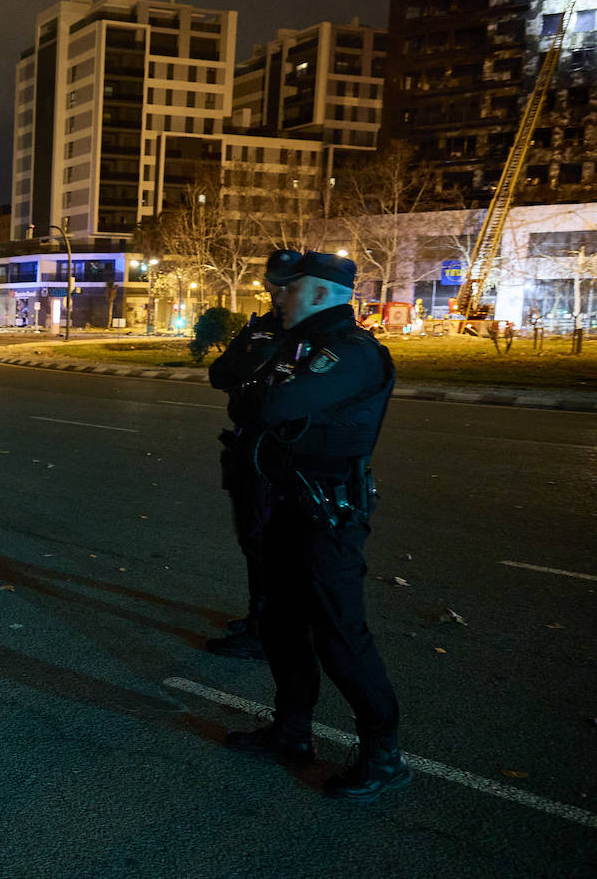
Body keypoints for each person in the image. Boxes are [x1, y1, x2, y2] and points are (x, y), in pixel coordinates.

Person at [222, 251, 409, 802]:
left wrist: (260, 392)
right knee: (281, 625)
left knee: (339, 636)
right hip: (289, 505)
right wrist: (259, 392)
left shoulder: (349, 352)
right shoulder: (297, 345)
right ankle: (292, 730)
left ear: (324, 293)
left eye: (291, 288)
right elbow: (238, 390)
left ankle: (384, 754)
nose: (279, 296)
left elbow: (274, 404)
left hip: (330, 513)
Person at [203, 250, 300, 661]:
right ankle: (258, 616)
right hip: (245, 445)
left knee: (266, 543)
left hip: (275, 451)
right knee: (250, 539)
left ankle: (266, 629)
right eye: (272, 283)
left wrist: (255, 360)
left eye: (285, 284)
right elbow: (219, 375)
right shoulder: (259, 327)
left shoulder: (305, 334)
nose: (276, 292)